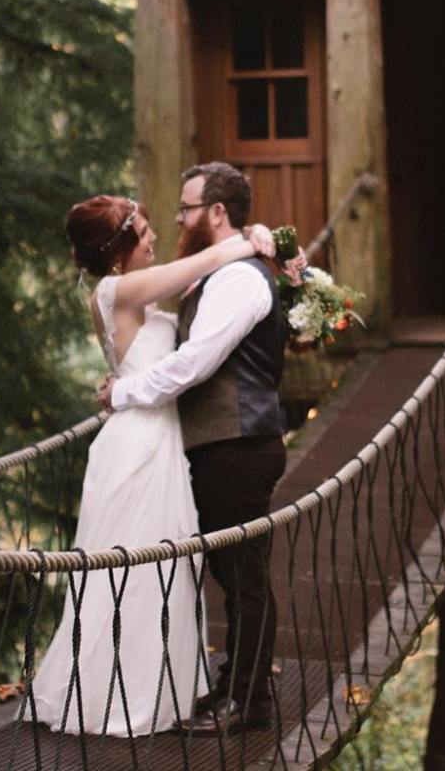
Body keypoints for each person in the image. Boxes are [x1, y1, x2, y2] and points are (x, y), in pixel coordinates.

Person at [23, 193, 277, 736]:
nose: (155, 234)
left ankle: (152, 689)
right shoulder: (118, 288)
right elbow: (207, 262)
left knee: (162, 568)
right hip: (138, 446)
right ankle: (118, 698)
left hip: (159, 442)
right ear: (120, 249)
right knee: (136, 569)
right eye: (143, 230)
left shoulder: (132, 294)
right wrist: (253, 239)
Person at [98, 161, 290, 735]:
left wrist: (123, 392)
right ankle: (238, 684)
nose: (178, 217)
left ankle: (249, 701)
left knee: (242, 574)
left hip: (238, 443)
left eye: (185, 208)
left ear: (215, 213)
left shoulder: (237, 278)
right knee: (232, 574)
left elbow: (196, 361)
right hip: (218, 444)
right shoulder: (220, 271)